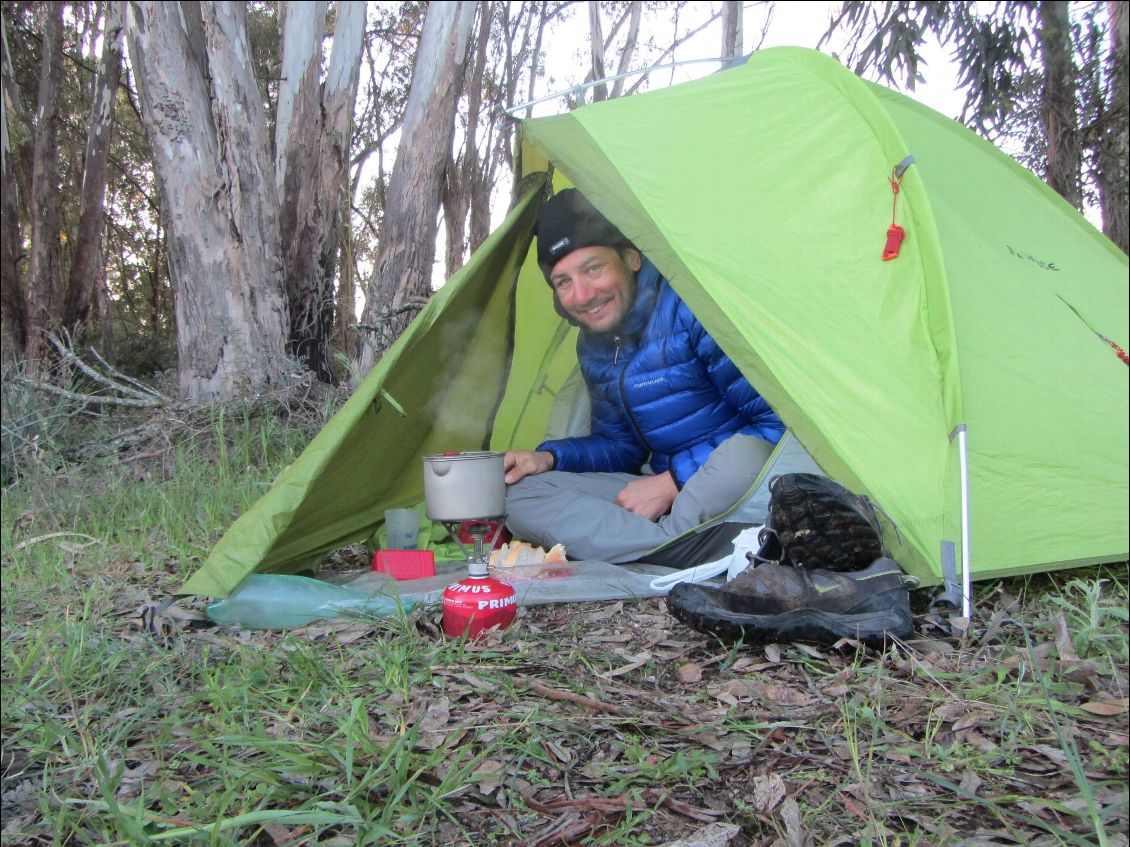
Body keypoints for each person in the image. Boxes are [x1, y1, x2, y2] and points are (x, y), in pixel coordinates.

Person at [503, 189, 785, 564]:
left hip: (733, 482)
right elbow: (622, 448)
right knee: (521, 494)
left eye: (592, 268)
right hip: (667, 492)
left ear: (631, 258)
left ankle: (661, 548)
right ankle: (689, 550)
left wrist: (672, 483)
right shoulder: (595, 345)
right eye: (564, 282)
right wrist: (550, 458)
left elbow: (780, 426)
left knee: (745, 454)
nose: (582, 295)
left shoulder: (694, 310)